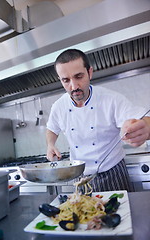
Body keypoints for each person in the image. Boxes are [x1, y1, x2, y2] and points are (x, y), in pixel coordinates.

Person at [46, 49, 150, 192]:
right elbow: (52, 129)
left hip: (113, 173)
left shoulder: (111, 99)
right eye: (66, 80)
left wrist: (145, 126)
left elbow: (142, 119)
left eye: (78, 76)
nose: (74, 86)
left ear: (90, 72)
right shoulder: (58, 106)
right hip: (79, 177)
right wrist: (50, 144)